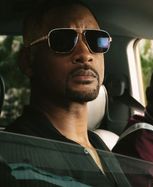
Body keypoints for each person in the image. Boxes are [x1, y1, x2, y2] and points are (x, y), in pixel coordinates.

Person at [3, 0, 130, 186]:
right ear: (28, 61)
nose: (85, 53)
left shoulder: (99, 144)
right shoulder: (13, 155)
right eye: (62, 40)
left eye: (95, 40)